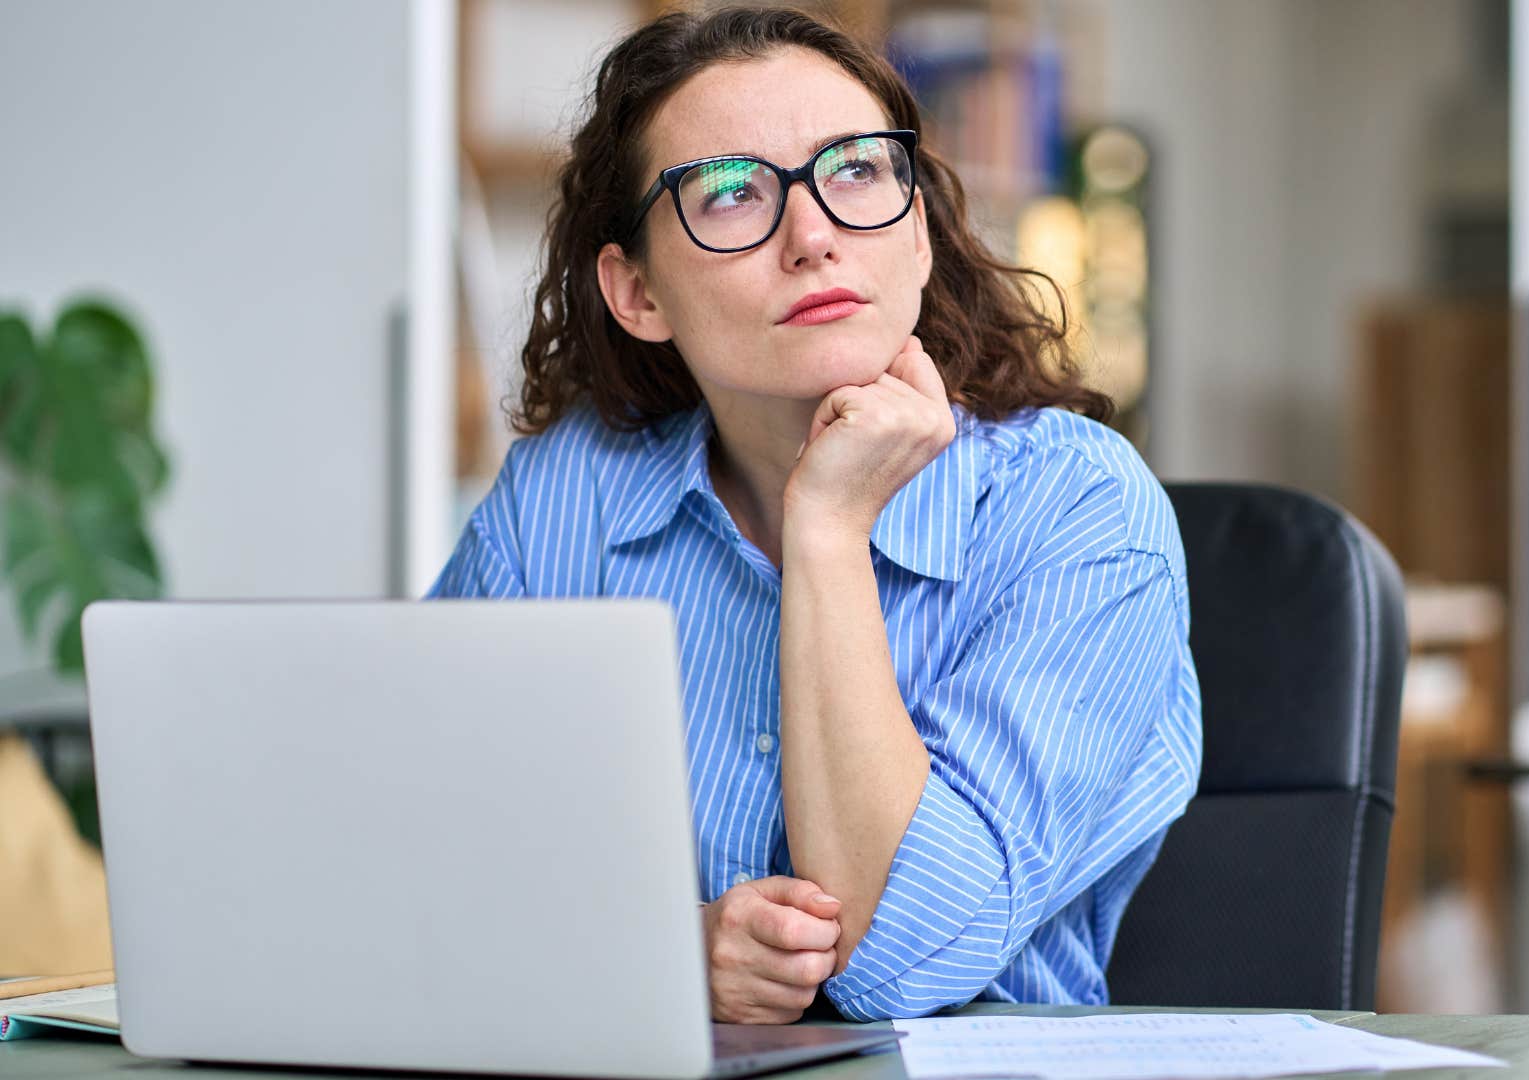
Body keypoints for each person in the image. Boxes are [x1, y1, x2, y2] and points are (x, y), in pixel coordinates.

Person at [427, 5, 1200, 1024]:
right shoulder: (562, 501)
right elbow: (421, 866)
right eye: (732, 193)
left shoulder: (1083, 510)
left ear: (918, 235)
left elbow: (903, 963)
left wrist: (829, 529)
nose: (813, 235)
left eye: (856, 173)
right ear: (637, 292)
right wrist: (660, 950)